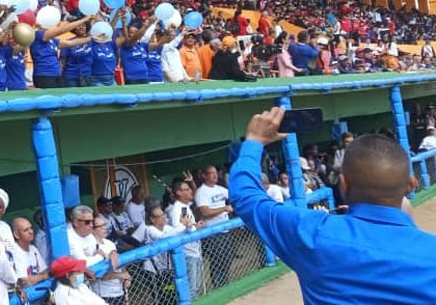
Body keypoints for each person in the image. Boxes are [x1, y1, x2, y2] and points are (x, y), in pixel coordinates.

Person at [231, 107, 436, 304]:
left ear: (343, 184)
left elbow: (246, 197)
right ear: (410, 184)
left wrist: (254, 141)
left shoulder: (314, 233)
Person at [166, 176, 204, 299]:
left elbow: (187, 226)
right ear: (179, 193)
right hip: (187, 252)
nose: (190, 191)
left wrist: (194, 226)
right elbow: (177, 229)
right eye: (186, 189)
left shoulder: (185, 206)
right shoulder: (178, 209)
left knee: (196, 286)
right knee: (192, 288)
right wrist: (190, 226)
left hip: (194, 250)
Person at [87, 215, 130, 305]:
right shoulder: (91, 246)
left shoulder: (109, 243)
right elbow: (97, 275)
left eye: (105, 225)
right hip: (104, 294)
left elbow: (120, 265)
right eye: (100, 226)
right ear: (92, 229)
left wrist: (126, 278)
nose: (104, 228)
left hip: (119, 291)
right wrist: (120, 275)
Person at [9, 217, 48, 294]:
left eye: (31, 228)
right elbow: (24, 282)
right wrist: (41, 277)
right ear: (16, 235)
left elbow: (47, 272)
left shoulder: (33, 249)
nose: (31, 232)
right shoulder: (13, 251)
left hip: (37, 296)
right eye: (26, 230)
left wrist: (37, 278)